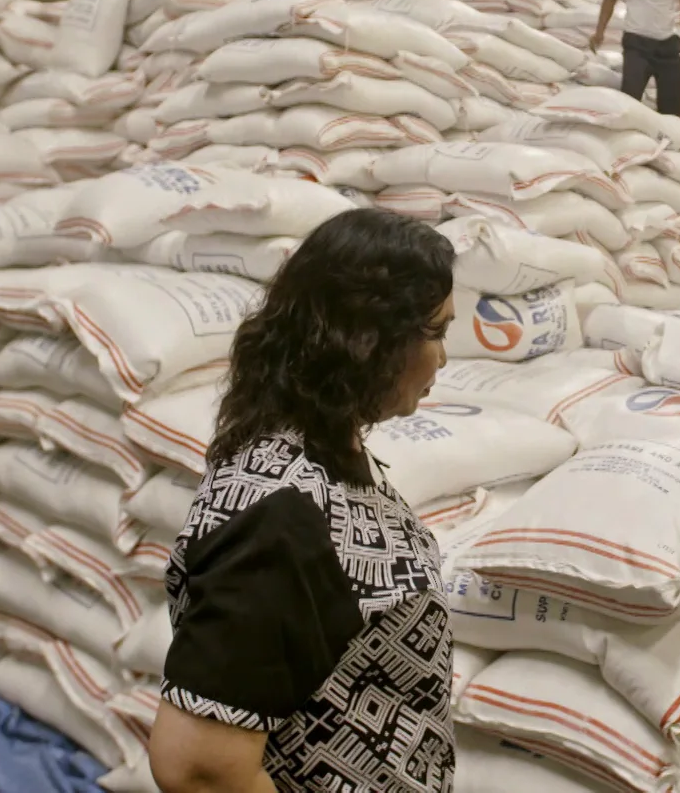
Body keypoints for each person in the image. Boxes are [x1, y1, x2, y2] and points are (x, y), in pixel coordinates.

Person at [148, 208, 458, 793]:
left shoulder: (323, 456)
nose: (443, 358)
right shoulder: (281, 516)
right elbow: (198, 766)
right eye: (435, 332)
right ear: (367, 338)